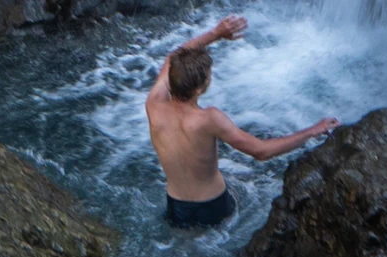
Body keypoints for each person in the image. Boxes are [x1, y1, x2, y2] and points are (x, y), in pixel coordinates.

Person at [145, 13, 338, 228]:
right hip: (213, 205)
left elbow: (173, 58)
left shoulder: (154, 105)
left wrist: (215, 33)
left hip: (176, 206)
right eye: (209, 75)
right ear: (199, 88)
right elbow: (261, 151)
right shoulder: (208, 119)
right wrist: (313, 130)